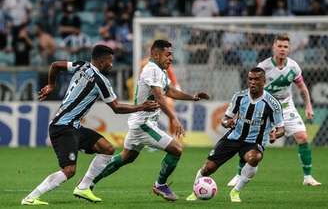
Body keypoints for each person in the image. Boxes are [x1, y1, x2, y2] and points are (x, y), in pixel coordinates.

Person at [21, 45, 159, 205]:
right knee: (69, 170)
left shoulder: (81, 65)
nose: (111, 65)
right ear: (101, 61)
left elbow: (55, 65)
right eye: (110, 61)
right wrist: (142, 106)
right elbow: (116, 107)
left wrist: (52, 85)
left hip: (73, 126)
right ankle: (30, 198)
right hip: (63, 128)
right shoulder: (101, 81)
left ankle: (83, 187)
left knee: (107, 149)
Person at [73, 39, 210, 202]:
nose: (171, 58)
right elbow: (160, 97)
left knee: (126, 157)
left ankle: (87, 183)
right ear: (156, 54)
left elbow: (169, 91)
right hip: (143, 124)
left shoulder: (160, 71)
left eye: (172, 55)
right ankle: (160, 185)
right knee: (176, 149)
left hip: (141, 122)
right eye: (168, 55)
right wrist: (174, 118)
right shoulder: (151, 69)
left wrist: (192, 97)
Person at [227, 34, 321, 187]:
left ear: (289, 49)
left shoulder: (293, 67)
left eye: (285, 47)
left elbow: (302, 88)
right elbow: (252, 89)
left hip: (286, 107)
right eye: (280, 46)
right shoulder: (264, 67)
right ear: (274, 47)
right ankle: (238, 175)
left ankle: (308, 177)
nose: (282, 49)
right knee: (250, 142)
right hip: (265, 109)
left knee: (303, 137)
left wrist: (308, 106)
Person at [186, 67, 285, 202]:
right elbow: (225, 119)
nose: (253, 82)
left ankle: (235, 191)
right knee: (208, 168)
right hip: (233, 137)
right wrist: (227, 123)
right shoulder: (239, 97)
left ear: (264, 81)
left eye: (256, 79)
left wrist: (275, 135)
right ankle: (195, 192)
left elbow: (281, 128)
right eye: (250, 79)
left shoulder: (273, 103)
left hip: (253, 142)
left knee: (255, 157)